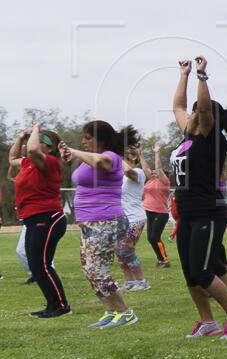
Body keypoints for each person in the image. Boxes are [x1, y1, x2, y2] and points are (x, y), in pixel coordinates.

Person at [169, 57, 227, 339]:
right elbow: (178, 107)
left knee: (203, 270)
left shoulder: (211, 138)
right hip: (187, 212)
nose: (191, 114)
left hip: (208, 211)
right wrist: (184, 75)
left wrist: (202, 77)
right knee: (190, 274)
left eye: (197, 112)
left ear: (206, 118)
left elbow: (202, 108)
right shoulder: (187, 136)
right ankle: (207, 322)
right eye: (191, 113)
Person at [60, 121, 141, 329]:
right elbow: (89, 167)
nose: (83, 141)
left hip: (107, 221)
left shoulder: (111, 157)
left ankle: (125, 312)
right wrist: (70, 157)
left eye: (88, 138)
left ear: (100, 140)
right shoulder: (87, 160)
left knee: (97, 270)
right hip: (91, 223)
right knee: (90, 270)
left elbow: (100, 163)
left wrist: (75, 151)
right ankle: (111, 310)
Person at [10, 123, 70, 317]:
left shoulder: (50, 162)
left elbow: (34, 149)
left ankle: (61, 306)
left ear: (50, 147)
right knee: (37, 265)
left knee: (41, 264)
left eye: (36, 141)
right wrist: (20, 138)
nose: (30, 144)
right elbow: (12, 159)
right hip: (33, 220)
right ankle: (53, 305)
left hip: (48, 217)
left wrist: (36, 129)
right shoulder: (28, 163)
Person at [117, 145, 151, 291]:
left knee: (126, 250)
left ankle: (142, 282)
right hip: (123, 218)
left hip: (135, 219)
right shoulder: (121, 176)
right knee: (119, 251)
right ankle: (130, 282)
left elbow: (128, 171)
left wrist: (118, 158)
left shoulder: (138, 172)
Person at [142, 144, 171, 268]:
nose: (153, 172)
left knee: (155, 237)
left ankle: (164, 260)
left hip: (160, 213)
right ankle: (161, 260)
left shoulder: (164, 182)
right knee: (150, 238)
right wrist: (139, 153)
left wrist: (156, 153)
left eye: (156, 172)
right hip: (149, 212)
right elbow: (145, 168)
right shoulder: (150, 181)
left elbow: (158, 168)